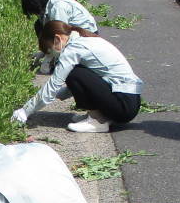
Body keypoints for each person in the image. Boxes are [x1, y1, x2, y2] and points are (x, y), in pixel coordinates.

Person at [11, 21, 142, 133]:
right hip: (129, 100)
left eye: (50, 50)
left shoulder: (72, 49)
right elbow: (92, 79)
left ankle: (98, 121)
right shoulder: (83, 38)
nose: (52, 55)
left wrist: (25, 111)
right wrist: (61, 93)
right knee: (76, 72)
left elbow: (55, 83)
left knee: (73, 73)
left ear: (57, 39)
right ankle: (98, 115)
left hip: (123, 105)